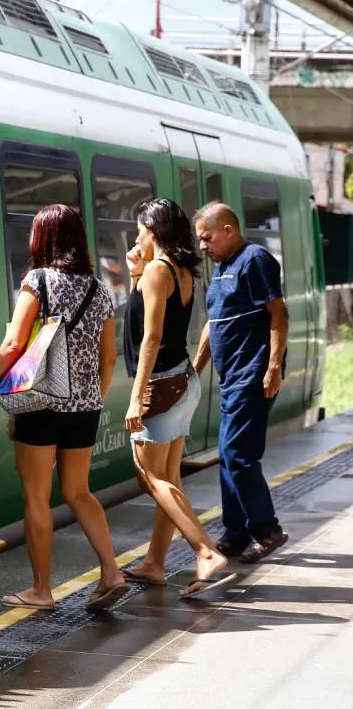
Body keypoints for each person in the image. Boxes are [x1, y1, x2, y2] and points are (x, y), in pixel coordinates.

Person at [0, 205, 126, 612]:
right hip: (85, 407)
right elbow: (108, 357)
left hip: (40, 404)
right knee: (78, 491)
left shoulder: (36, 281)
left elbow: (13, 345)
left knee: (37, 496)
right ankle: (112, 572)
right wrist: (91, 397)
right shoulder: (99, 288)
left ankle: (41, 590)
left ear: (44, 238)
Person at [121, 199, 237, 598]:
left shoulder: (158, 270)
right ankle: (155, 562)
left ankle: (205, 551)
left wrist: (136, 398)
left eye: (139, 230)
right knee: (169, 480)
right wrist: (135, 274)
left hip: (160, 387)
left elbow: (150, 338)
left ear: (153, 230)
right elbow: (157, 324)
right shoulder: (181, 270)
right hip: (183, 382)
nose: (136, 238)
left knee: (150, 477)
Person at [193, 201, 290, 564]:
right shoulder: (220, 269)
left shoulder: (254, 259)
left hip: (253, 373)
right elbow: (213, 324)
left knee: (239, 455)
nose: (203, 246)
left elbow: (278, 313)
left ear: (228, 230)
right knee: (227, 455)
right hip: (231, 376)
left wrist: (273, 366)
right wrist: (195, 368)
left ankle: (267, 530)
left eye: (207, 238)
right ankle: (235, 532)